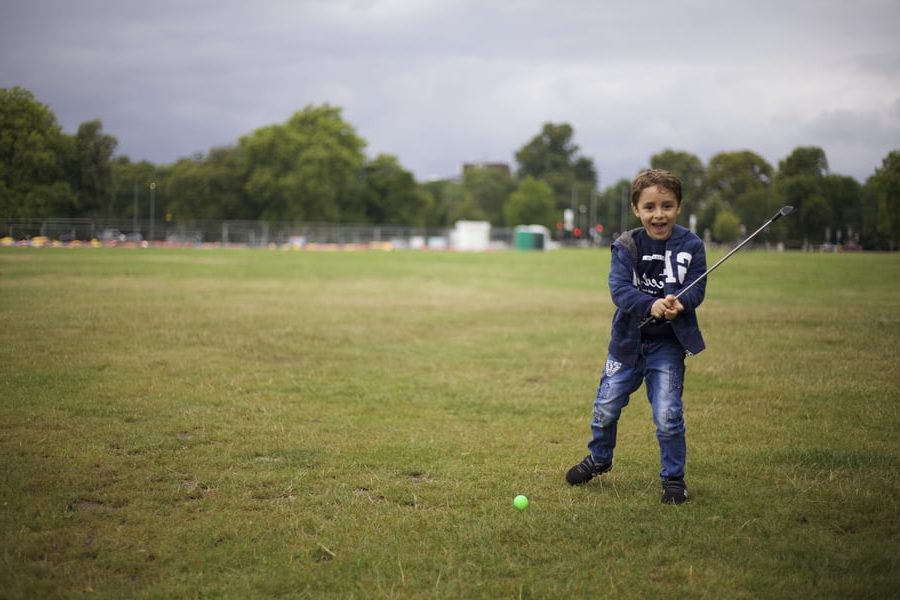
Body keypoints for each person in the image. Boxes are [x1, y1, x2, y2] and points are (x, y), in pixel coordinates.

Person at [565, 169, 707, 504]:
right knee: (605, 407)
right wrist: (651, 304)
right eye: (650, 207)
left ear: (679, 206)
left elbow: (698, 287)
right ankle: (600, 458)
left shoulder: (692, 245)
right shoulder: (626, 245)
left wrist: (681, 304)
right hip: (626, 344)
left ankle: (673, 479)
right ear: (636, 209)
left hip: (667, 346)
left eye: (667, 206)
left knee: (667, 414)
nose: (659, 214)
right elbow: (620, 290)